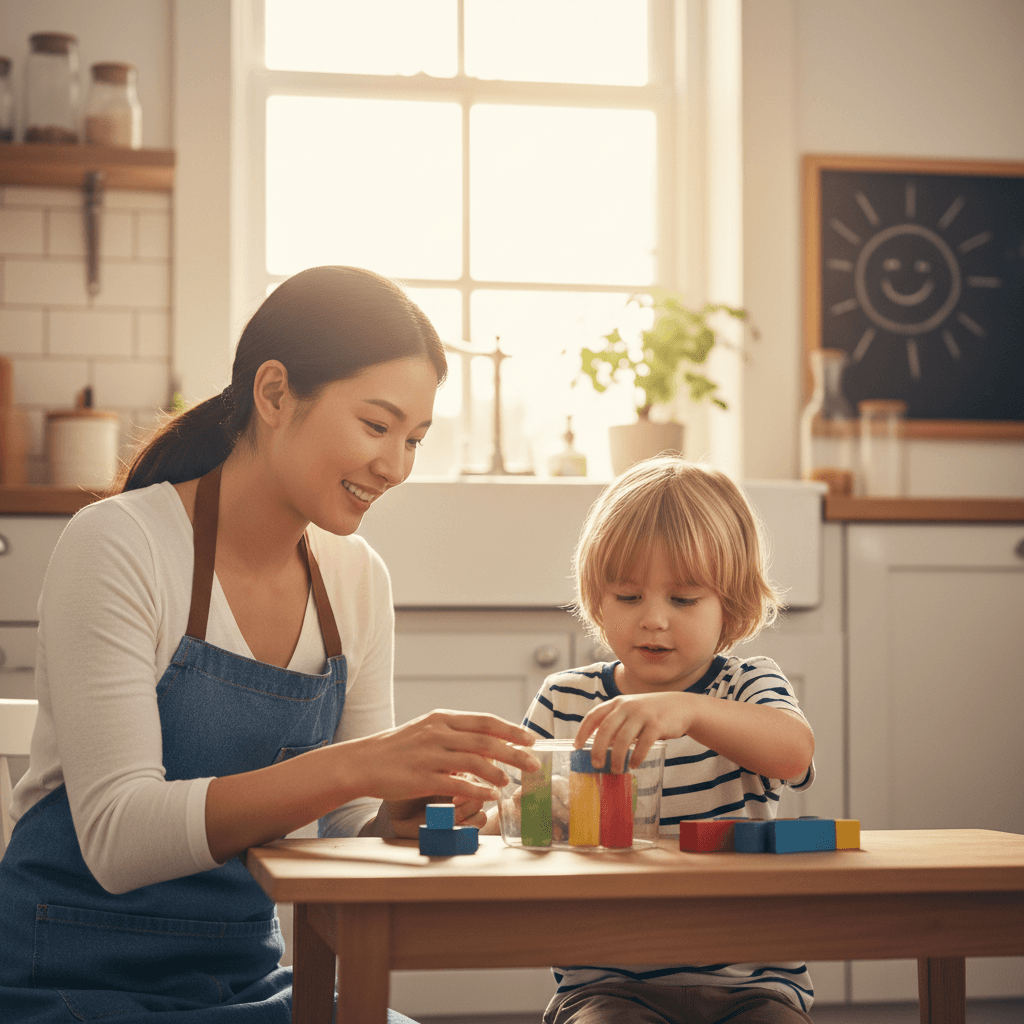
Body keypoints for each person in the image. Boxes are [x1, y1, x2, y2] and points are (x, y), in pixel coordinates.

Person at [0, 265, 540, 1023]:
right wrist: (358, 765)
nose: (395, 466)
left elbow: (343, 824)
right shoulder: (121, 544)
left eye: (414, 439)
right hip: (67, 980)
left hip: (247, 983)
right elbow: (118, 839)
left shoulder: (355, 581)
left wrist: (400, 819)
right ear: (275, 393)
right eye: (376, 426)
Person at [502, 456, 817, 1023]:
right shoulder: (564, 699)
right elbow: (526, 822)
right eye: (628, 597)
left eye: (683, 599)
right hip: (607, 983)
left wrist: (690, 711)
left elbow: (794, 752)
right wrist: (506, 808)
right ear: (597, 599)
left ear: (732, 604)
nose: (653, 620)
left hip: (754, 983)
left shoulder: (744, 685)